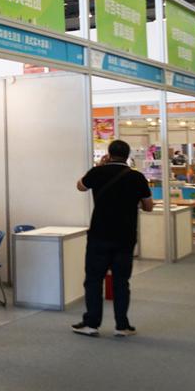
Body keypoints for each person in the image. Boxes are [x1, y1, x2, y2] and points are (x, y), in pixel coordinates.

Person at [71, 139, 154, 338]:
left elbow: (80, 186)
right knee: (121, 282)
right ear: (127, 155)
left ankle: (91, 324)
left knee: (93, 280)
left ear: (108, 154)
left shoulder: (97, 172)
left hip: (99, 235)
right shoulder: (137, 177)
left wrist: (99, 166)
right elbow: (149, 206)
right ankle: (122, 326)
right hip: (125, 237)